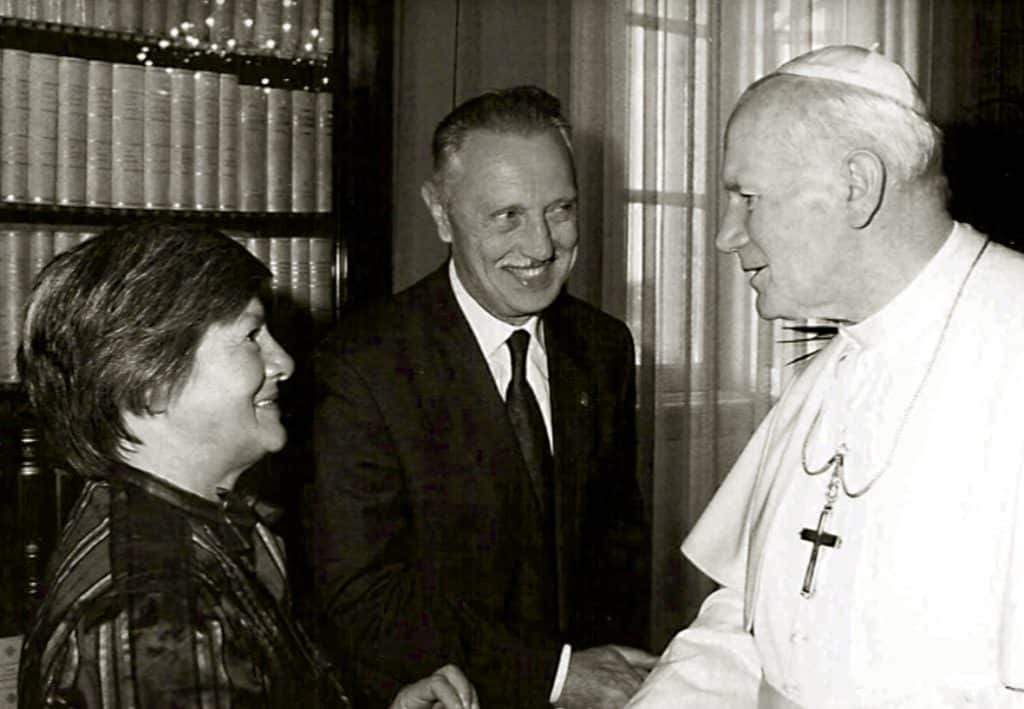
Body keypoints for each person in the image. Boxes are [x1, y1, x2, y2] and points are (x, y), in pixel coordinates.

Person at [627, 44, 1024, 709]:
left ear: (856, 186)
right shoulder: (839, 362)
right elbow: (754, 624)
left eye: (747, 198)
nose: (727, 235)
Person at [15, 222, 478, 709]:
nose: (284, 363)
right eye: (252, 336)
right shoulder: (160, 620)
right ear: (150, 380)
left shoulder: (172, 532)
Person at [311, 86, 655, 708]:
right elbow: (360, 596)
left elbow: (617, 556)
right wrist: (555, 676)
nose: (543, 247)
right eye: (507, 216)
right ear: (441, 213)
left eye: (561, 209)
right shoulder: (362, 367)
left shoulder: (603, 348)